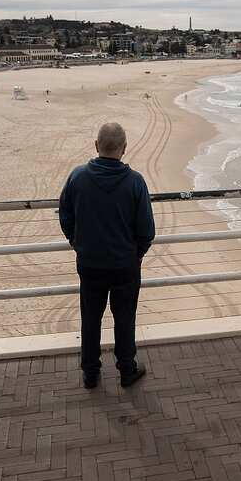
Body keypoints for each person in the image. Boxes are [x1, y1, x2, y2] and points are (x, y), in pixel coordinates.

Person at [58, 122, 155, 389]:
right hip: (124, 265)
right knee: (125, 319)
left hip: (90, 263)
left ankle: (90, 372)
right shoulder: (135, 182)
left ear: (97, 146)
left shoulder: (78, 177)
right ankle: (126, 370)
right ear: (124, 148)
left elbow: (64, 214)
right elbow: (147, 230)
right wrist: (136, 254)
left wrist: (77, 242)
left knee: (90, 318)